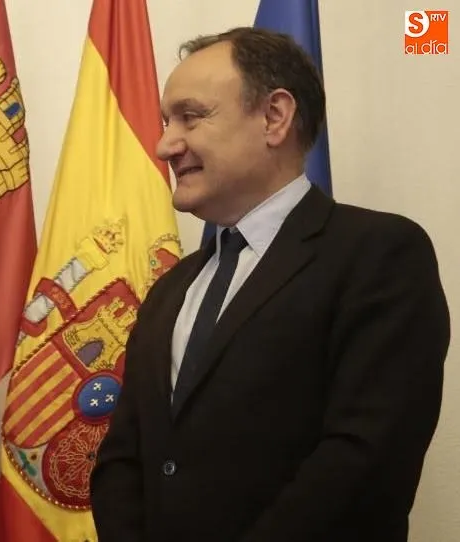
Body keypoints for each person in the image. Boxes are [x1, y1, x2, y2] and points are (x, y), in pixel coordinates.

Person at [90, 26, 450, 542]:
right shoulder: (170, 290)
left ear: (274, 117)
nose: (165, 145)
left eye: (191, 116)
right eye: (167, 122)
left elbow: (366, 459)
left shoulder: (379, 255)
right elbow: (124, 456)